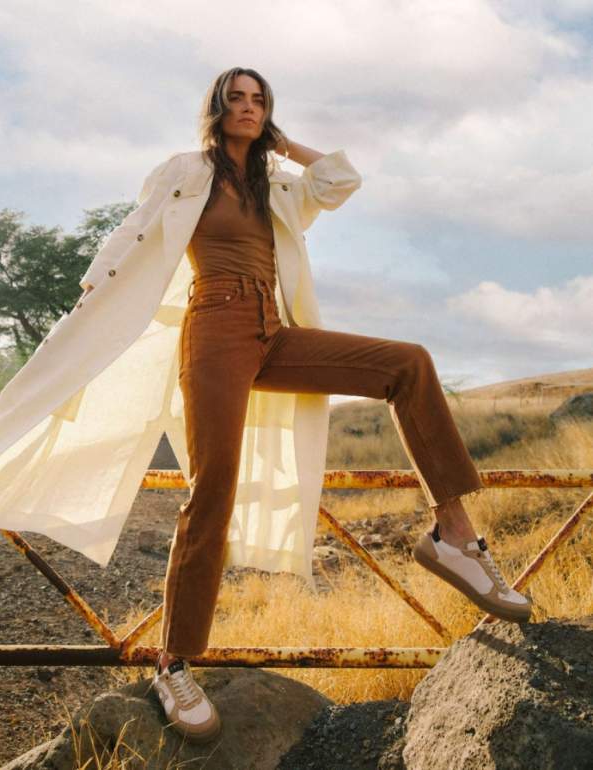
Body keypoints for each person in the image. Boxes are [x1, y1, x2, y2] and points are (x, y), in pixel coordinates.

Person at [79, 67, 532, 743]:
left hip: (275, 328)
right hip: (215, 327)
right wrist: (92, 294)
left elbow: (341, 180)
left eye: (259, 100)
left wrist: (282, 143)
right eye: (236, 98)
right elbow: (135, 233)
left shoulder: (277, 182)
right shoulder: (186, 170)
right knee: (213, 486)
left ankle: (454, 537)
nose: (248, 108)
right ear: (215, 107)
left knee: (408, 363)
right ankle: (172, 664)